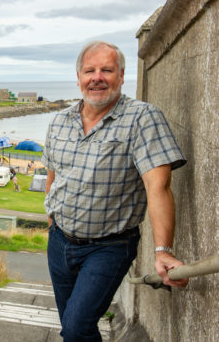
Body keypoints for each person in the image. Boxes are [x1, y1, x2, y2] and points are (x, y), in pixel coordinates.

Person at [42, 41, 188, 341]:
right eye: (89, 70)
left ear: (122, 76)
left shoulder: (143, 118)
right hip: (59, 242)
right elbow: (53, 174)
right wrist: (51, 220)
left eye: (106, 70)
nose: (97, 77)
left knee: (76, 327)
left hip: (108, 247)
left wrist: (163, 251)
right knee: (71, 324)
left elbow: (158, 186)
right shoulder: (59, 121)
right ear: (79, 77)